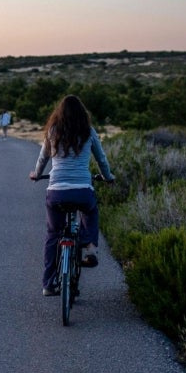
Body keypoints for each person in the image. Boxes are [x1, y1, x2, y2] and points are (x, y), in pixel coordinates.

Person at [29, 95, 115, 296]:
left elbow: (43, 158)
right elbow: (101, 159)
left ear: (59, 113)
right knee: (90, 210)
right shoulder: (88, 132)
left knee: (53, 235)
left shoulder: (53, 131)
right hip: (82, 189)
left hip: (56, 191)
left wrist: (36, 174)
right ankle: (90, 247)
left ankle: (48, 284)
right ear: (83, 114)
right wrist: (108, 177)